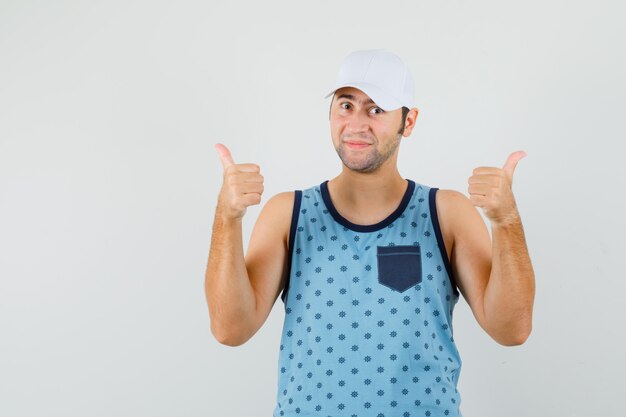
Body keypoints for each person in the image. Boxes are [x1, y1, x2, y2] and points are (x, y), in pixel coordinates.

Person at [205, 49, 535, 417]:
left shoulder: (446, 213)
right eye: (346, 105)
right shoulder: (289, 214)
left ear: (408, 122)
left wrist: (506, 222)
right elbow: (229, 330)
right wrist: (227, 217)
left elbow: (512, 330)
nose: (357, 124)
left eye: (376, 109)